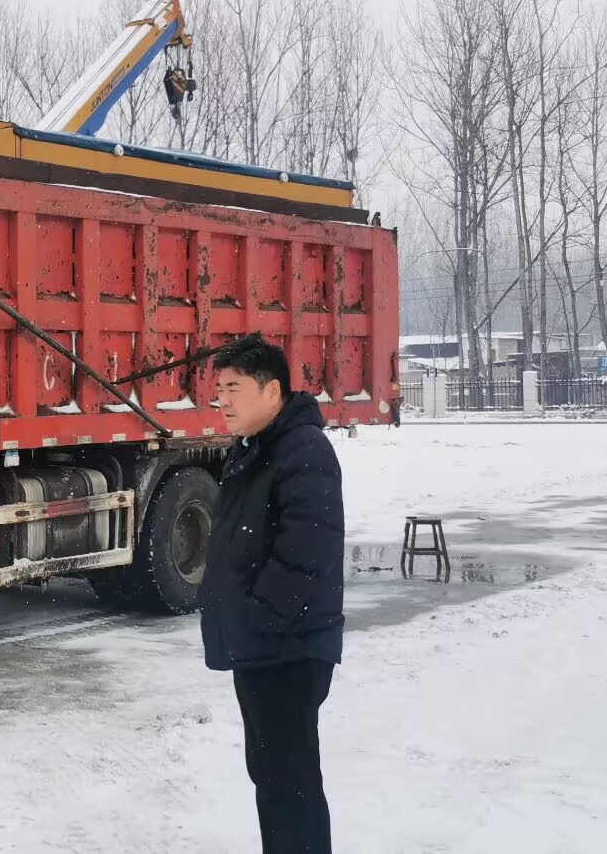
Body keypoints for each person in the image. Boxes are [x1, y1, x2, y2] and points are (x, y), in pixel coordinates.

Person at [202, 336, 345, 854]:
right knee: (272, 776)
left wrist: (258, 615)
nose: (222, 400)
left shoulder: (303, 450)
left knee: (291, 782)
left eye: (234, 388)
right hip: (263, 646)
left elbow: (309, 550)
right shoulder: (257, 447)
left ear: (272, 391)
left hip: (289, 648)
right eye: (219, 388)